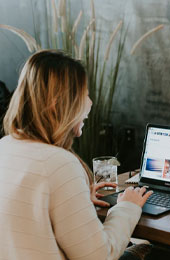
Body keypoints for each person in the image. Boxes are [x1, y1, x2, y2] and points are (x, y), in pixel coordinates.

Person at [0, 50, 153, 260]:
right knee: (146, 248)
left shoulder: (5, 147)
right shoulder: (59, 163)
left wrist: (76, 197)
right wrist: (127, 207)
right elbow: (100, 256)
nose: (90, 103)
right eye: (84, 95)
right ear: (57, 103)